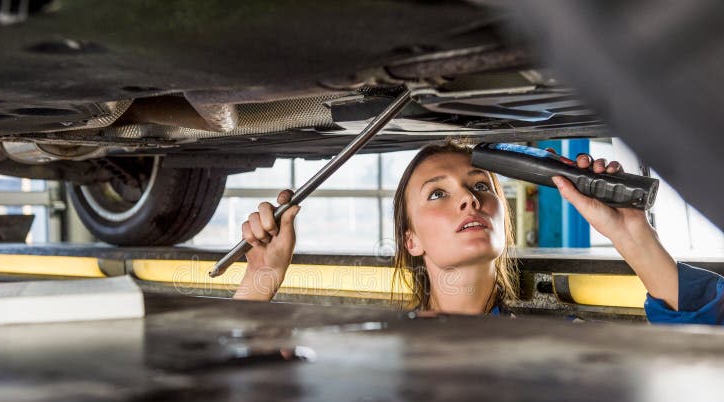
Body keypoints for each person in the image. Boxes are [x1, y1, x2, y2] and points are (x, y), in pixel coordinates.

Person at [234, 140, 724, 325]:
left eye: (479, 186)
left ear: (502, 221)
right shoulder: (376, 346)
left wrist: (631, 235)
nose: (469, 199)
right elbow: (235, 392)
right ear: (412, 241)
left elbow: (710, 350)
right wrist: (260, 277)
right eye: (437, 194)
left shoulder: (559, 346)